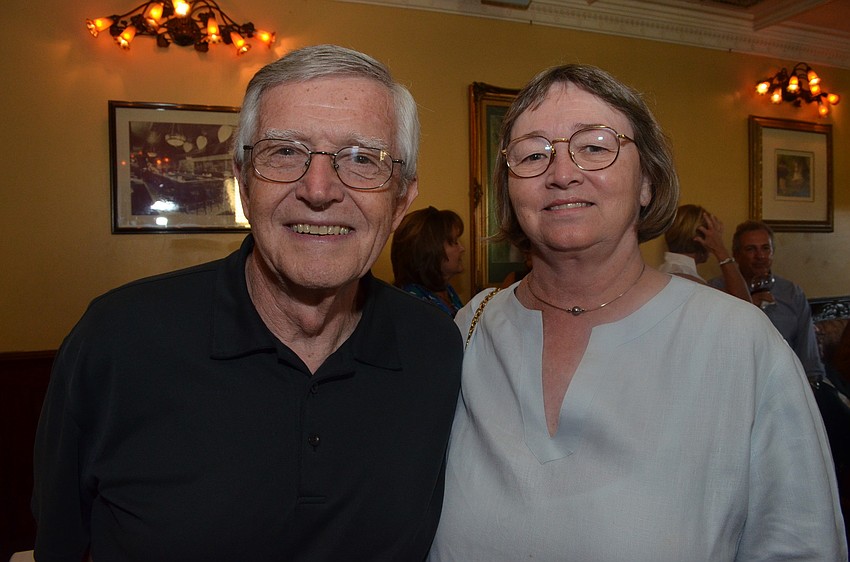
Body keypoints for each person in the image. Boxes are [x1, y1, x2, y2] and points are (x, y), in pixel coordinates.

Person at [32, 45, 463, 561]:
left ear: (401, 200)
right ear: (243, 183)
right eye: (284, 152)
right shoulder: (117, 341)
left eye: (361, 158)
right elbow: (59, 541)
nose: (319, 190)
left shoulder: (435, 348)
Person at [428, 63, 846, 560]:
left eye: (595, 147)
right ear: (509, 189)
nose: (562, 173)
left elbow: (801, 542)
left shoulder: (737, 340)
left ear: (647, 180)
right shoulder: (471, 328)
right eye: (533, 154)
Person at [709, 220, 826, 381]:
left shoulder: (791, 293)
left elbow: (807, 350)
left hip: (787, 379)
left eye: (766, 248)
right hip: (738, 378)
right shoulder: (716, 289)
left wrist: (813, 383)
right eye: (751, 249)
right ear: (736, 254)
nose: (760, 256)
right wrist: (749, 307)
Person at [659, 204, 751, 302]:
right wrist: (720, 249)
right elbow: (743, 304)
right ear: (702, 237)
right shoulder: (683, 276)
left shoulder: (668, 270)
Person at [391, 206, 466, 317]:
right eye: (454, 242)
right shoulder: (411, 304)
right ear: (430, 249)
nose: (462, 249)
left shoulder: (447, 290)